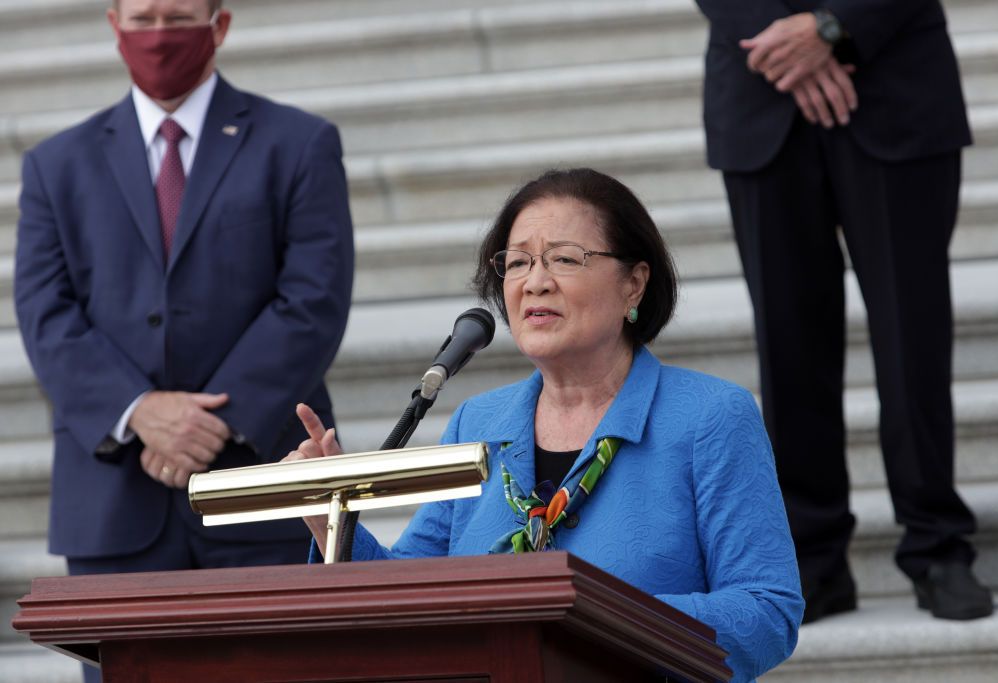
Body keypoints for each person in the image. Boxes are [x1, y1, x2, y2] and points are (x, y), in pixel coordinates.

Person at [285, 168, 803, 682]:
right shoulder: (478, 422)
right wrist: (333, 516)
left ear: (634, 284)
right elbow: (413, 593)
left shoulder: (710, 417)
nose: (535, 281)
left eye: (564, 258)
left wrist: (593, 621)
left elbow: (766, 612)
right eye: (517, 262)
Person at [14, 2, 353, 679]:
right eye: (143, 17)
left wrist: (209, 424)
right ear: (113, 25)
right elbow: (45, 313)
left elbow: (313, 299)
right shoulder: (56, 164)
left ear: (220, 24)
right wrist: (141, 412)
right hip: (115, 503)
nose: (160, 33)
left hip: (263, 494)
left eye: (179, 15)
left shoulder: (300, 143)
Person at [692, 0, 994, 622]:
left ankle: (938, 544)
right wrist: (783, 45)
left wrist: (834, 28)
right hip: (758, 90)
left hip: (895, 78)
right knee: (788, 340)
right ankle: (812, 557)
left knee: (913, 334)